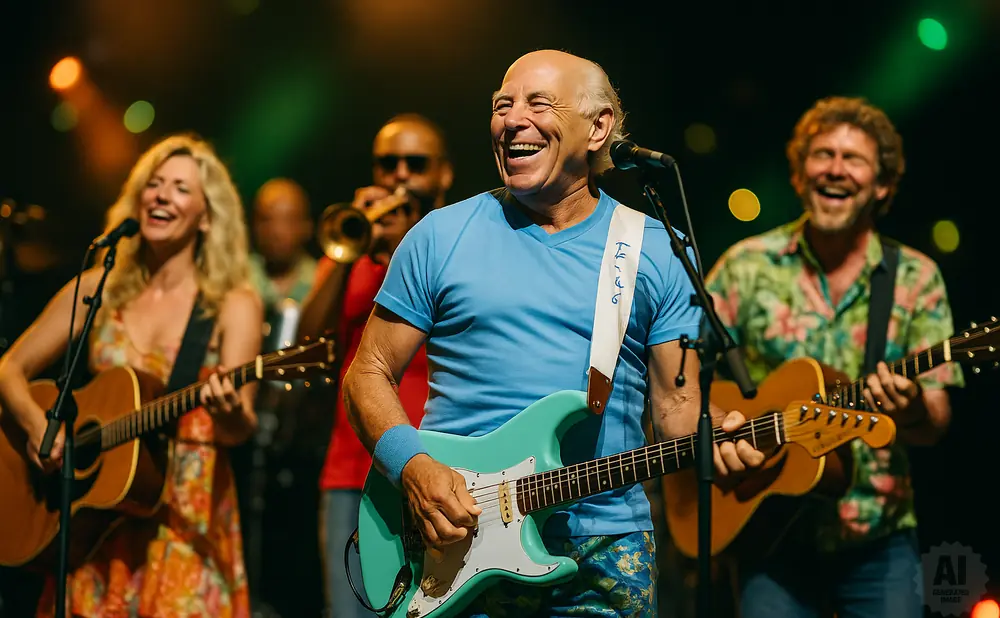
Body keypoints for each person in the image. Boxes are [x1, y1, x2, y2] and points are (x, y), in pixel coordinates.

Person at [341, 49, 763, 617]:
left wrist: (720, 436)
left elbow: (676, 410)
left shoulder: (656, 248)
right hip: (452, 538)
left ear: (599, 127)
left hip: (606, 545)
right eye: (502, 106)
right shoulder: (438, 236)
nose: (512, 120)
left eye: (538, 104)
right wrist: (412, 468)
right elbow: (366, 373)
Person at [704, 96, 964, 617]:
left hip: (877, 533)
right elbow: (677, 373)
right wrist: (709, 422)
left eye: (854, 159)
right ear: (800, 175)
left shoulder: (916, 278)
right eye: (823, 154)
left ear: (882, 185)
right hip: (766, 525)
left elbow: (934, 422)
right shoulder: (746, 266)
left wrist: (909, 403)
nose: (836, 169)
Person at [0, 133, 263, 618]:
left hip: (184, 519)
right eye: (155, 184)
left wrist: (228, 412)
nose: (161, 195)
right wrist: (40, 428)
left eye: (181, 188)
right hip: (90, 524)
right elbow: (10, 368)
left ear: (207, 217)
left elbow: (239, 427)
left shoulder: (232, 303)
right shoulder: (98, 288)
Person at [295, 113, 453, 618]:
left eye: (416, 163)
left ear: (443, 174)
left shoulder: (454, 243)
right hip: (350, 470)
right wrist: (346, 255)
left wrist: (407, 244)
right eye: (388, 163)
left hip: (441, 466)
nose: (400, 175)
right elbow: (307, 341)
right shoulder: (355, 255)